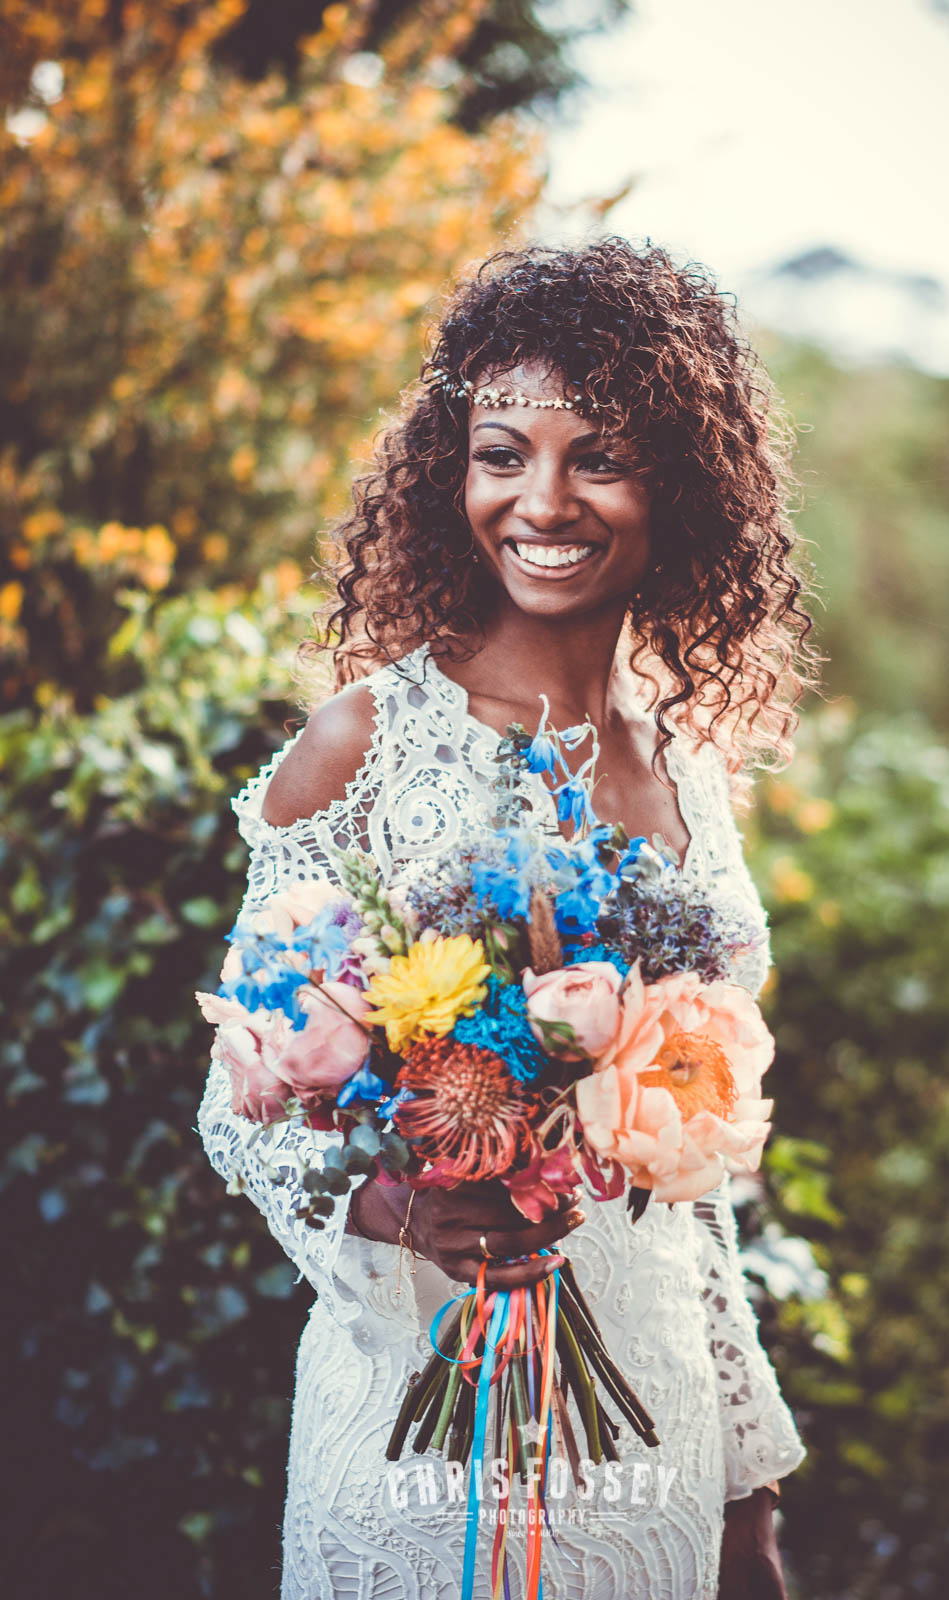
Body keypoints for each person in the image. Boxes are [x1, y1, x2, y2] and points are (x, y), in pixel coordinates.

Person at [197, 237, 817, 1599]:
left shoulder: (685, 774)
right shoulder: (363, 742)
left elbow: (690, 1188)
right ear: (450, 472)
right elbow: (235, 1103)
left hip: (648, 1428)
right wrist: (393, 1201)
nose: (545, 500)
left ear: (683, 484)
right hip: (420, 1426)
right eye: (502, 453)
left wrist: (745, 1486)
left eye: (599, 454)